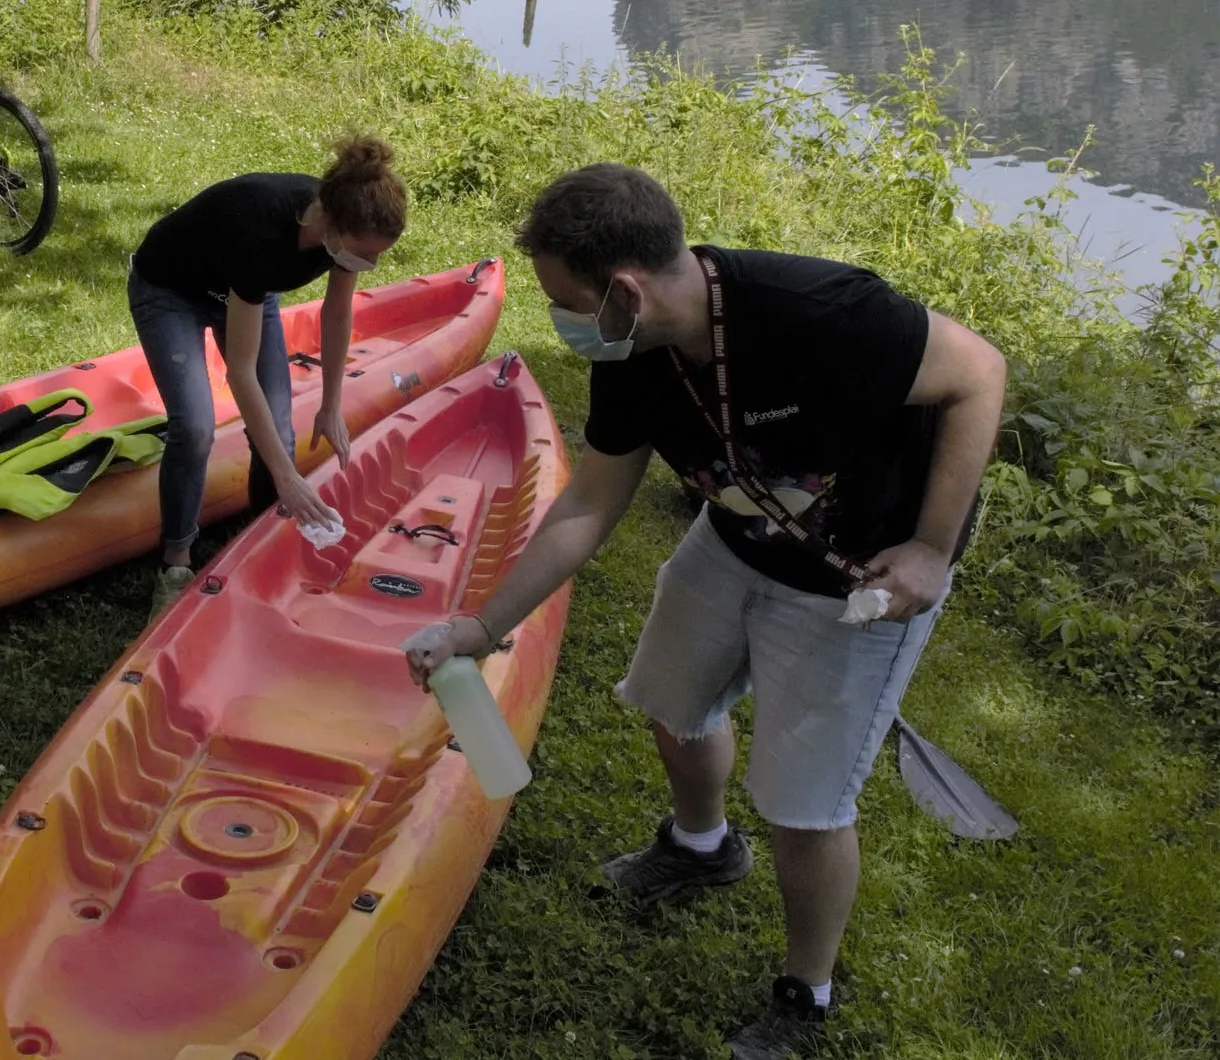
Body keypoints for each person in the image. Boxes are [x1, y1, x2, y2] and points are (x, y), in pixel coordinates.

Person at [402, 163, 1007, 1059]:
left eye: (565, 299)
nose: (563, 322)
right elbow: (586, 505)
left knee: (802, 807)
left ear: (623, 289)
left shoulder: (818, 310)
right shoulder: (632, 349)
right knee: (672, 705)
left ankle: (807, 992)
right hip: (731, 542)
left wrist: (927, 547)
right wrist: (481, 627)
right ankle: (700, 845)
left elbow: (979, 373)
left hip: (859, 581)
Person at [128, 135, 408, 617]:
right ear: (335, 227)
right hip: (170, 290)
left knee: (279, 429)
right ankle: (174, 563)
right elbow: (240, 373)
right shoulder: (259, 228)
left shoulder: (342, 235)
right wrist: (288, 475)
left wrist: (330, 405)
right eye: (367, 254)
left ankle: (264, 532)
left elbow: (337, 315)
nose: (371, 265)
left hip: (247, 291)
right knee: (195, 427)